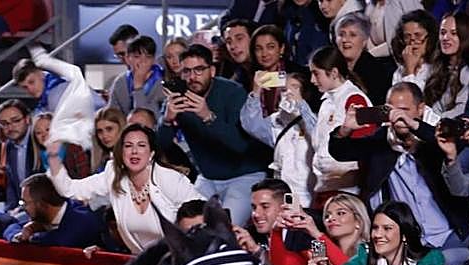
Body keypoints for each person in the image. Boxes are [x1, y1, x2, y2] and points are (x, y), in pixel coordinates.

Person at [329, 81, 469, 265]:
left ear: (420, 109)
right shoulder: (381, 141)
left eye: (404, 110)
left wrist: (414, 125)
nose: (398, 116)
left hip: (449, 235)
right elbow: (340, 152)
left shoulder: (434, 137)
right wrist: (345, 129)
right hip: (411, 243)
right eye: (392, 110)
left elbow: (453, 144)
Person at [46, 122, 204, 254]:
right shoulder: (114, 175)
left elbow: (203, 213)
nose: (134, 151)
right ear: (121, 153)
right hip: (144, 264)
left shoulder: (168, 178)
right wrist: (53, 157)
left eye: (141, 145)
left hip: (179, 260)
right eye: (128, 146)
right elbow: (70, 190)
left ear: (151, 153)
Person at [159, 43, 271, 225]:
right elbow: (160, 146)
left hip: (245, 175)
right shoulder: (177, 97)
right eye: (186, 71)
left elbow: (240, 146)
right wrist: (166, 120)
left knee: (226, 227)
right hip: (207, 178)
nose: (192, 77)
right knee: (185, 224)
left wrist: (208, 116)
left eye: (199, 70)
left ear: (211, 71)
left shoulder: (233, 92)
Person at [309, 199, 445, 265]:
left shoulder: (431, 260)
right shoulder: (365, 256)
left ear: (404, 234)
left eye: (387, 228)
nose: (378, 234)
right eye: (375, 228)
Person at [242, 67, 318, 205]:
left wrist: (301, 105)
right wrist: (256, 91)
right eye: (284, 89)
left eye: (295, 87)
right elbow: (251, 124)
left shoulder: (316, 119)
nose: (288, 93)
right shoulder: (276, 121)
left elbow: (318, 136)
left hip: (309, 195)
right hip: (283, 195)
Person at [308, 45, 373, 202]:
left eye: (316, 74)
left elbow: (364, 147)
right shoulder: (326, 103)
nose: (312, 80)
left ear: (334, 73)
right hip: (325, 186)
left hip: (347, 191)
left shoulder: (355, 99)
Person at [233, 177, 320, 265]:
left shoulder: (306, 231)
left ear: (286, 207)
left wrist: (257, 251)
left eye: (265, 207)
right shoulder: (249, 234)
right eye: (254, 207)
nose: (256, 214)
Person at [10, 172, 102, 248]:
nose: (23, 207)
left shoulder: (82, 219)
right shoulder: (41, 215)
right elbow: (10, 226)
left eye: (25, 203)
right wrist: (21, 235)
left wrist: (31, 236)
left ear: (41, 204)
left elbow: (62, 241)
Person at [303, 191, 371, 265]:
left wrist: (317, 234)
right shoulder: (320, 252)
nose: (331, 218)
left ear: (358, 221)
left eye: (340, 213)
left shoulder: (369, 252)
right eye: (327, 215)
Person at [0, 98, 41, 208]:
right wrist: (11, 210)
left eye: (16, 121)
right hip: (22, 207)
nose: (10, 127)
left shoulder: (39, 141)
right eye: (4, 123)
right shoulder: (9, 146)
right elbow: (12, 185)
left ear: (27, 119)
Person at [424, 12, 469, 119]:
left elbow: (463, 108)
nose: (446, 38)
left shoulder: (467, 71)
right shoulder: (438, 67)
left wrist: (435, 120)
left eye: (454, 33)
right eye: (443, 33)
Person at [107, 35, 166, 120]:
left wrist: (138, 86)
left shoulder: (162, 82)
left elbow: (146, 120)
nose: (143, 61)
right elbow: (112, 116)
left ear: (153, 60)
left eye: (148, 57)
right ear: (128, 58)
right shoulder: (120, 82)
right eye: (137, 57)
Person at [92, 105, 126, 173]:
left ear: (121, 128)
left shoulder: (130, 158)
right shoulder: (104, 159)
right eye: (100, 131)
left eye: (109, 129)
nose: (104, 136)